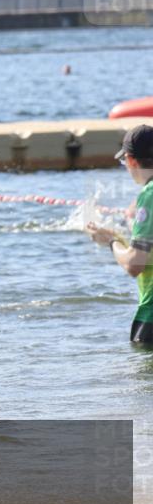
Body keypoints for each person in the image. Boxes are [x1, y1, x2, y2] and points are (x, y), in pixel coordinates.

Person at [87, 125, 153, 344]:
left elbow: (135, 264)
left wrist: (111, 241)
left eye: (124, 162)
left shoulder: (149, 196)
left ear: (131, 160)